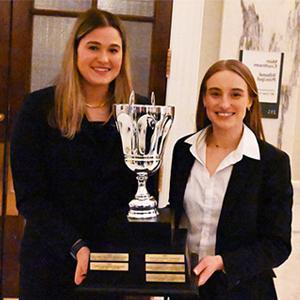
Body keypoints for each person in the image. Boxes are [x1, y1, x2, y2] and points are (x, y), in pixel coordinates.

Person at [11, 8, 154, 300]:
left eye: (113, 49)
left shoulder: (141, 113)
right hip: (50, 259)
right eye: (93, 47)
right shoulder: (38, 109)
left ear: (122, 57)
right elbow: (31, 198)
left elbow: (141, 194)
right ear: (75, 50)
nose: (104, 58)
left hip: (112, 262)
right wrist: (76, 246)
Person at [169, 59, 293, 299]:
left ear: (250, 101)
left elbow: (278, 245)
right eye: (215, 94)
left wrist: (223, 262)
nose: (224, 103)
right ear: (204, 99)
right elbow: (176, 216)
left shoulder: (273, 162)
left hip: (244, 289)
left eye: (236, 94)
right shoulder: (183, 150)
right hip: (187, 289)